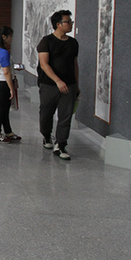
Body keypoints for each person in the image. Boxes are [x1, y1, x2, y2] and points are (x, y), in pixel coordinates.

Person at [37, 10, 79, 160]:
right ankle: (46, 135)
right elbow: (44, 64)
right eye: (68, 22)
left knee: (65, 116)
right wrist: (58, 81)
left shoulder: (73, 43)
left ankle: (61, 144)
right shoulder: (46, 41)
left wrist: (76, 84)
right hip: (49, 85)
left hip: (69, 85)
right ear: (58, 24)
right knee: (46, 114)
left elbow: (75, 64)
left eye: (71, 22)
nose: (71, 24)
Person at [0, 27, 21, 143]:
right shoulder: (3, 52)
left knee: (4, 109)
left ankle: (8, 131)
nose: (11, 39)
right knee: (1, 109)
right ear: (4, 37)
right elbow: (6, 72)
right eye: (10, 37)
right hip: (3, 83)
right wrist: (11, 88)